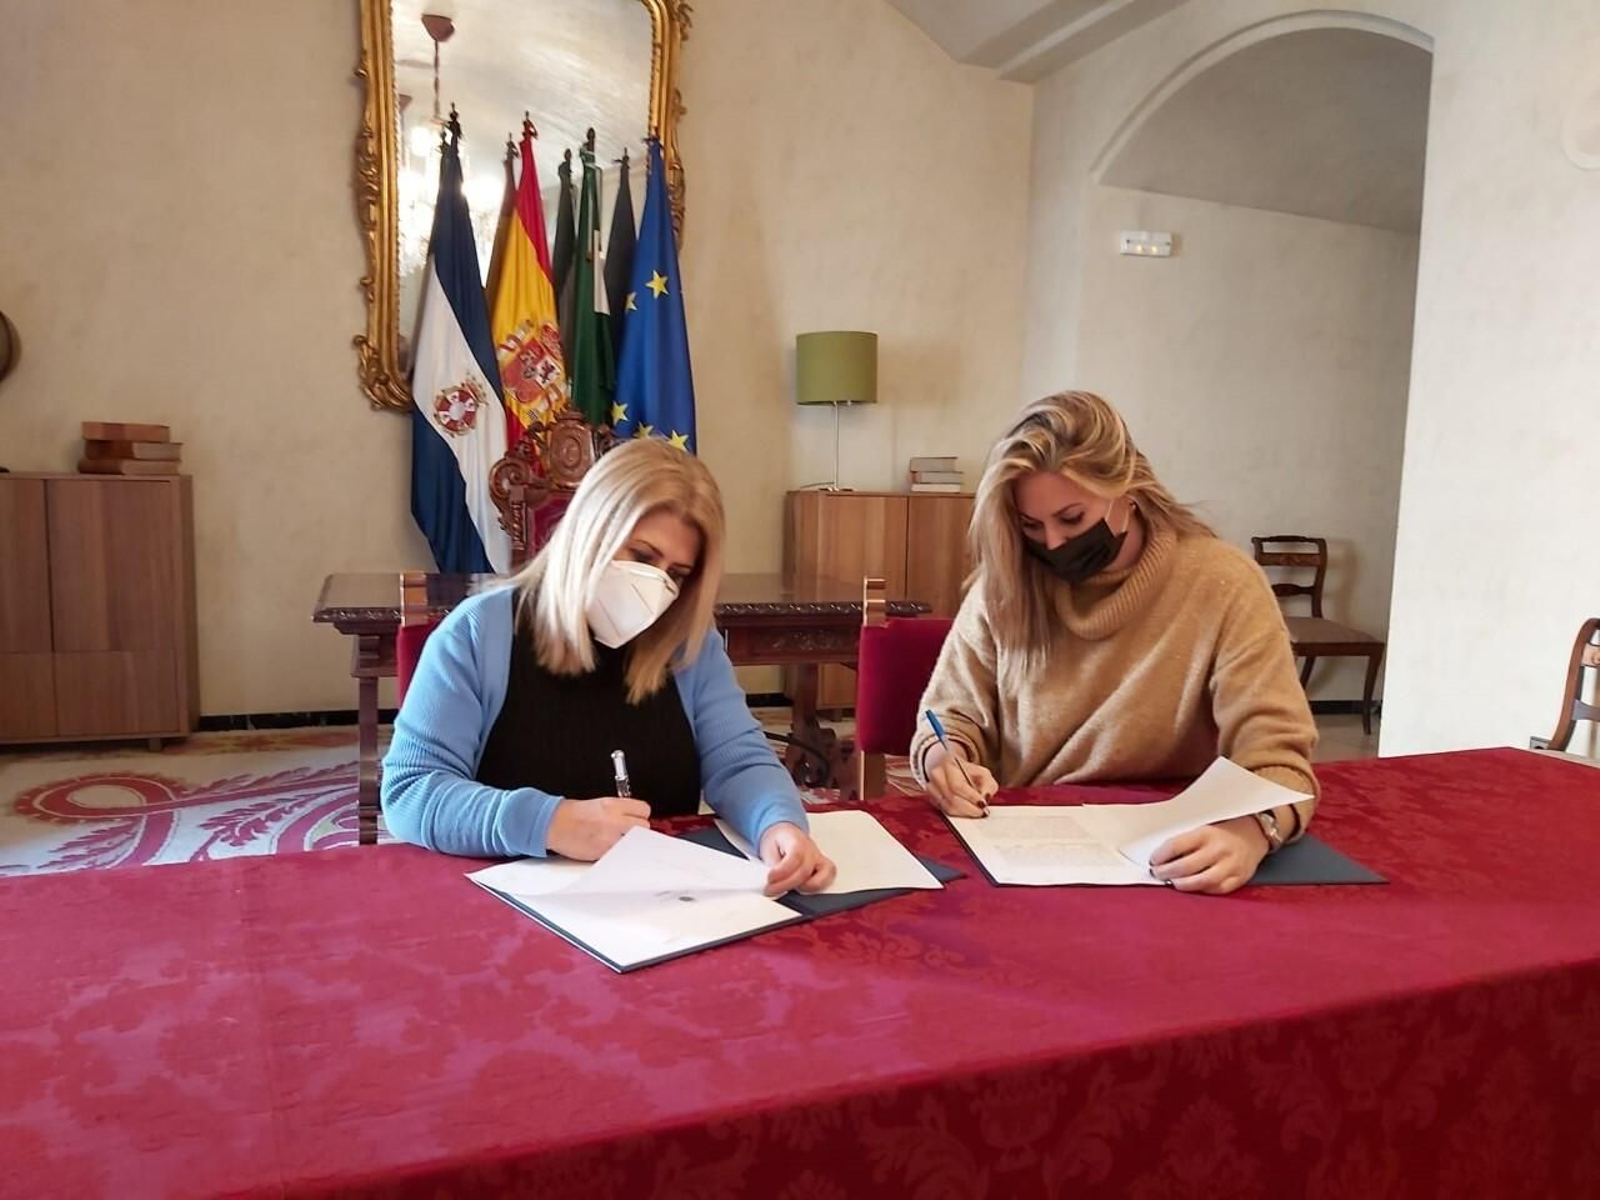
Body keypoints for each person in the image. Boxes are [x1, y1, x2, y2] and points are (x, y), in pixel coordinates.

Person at [383, 438, 836, 896]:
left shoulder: (688, 646)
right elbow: (412, 791)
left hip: (659, 905)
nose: (656, 585)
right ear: (590, 531)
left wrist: (778, 824)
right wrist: (548, 823)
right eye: (641, 557)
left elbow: (739, 764)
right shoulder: (479, 634)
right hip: (512, 903)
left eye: (676, 574)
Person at [913, 391, 1318, 895]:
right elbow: (948, 720)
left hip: (1174, 855)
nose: (1054, 546)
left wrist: (1251, 833)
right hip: (1028, 855)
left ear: (1128, 491)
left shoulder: (1223, 583)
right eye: (1031, 526)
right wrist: (943, 761)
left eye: (1072, 519)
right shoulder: (1008, 583)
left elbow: (1278, 757)